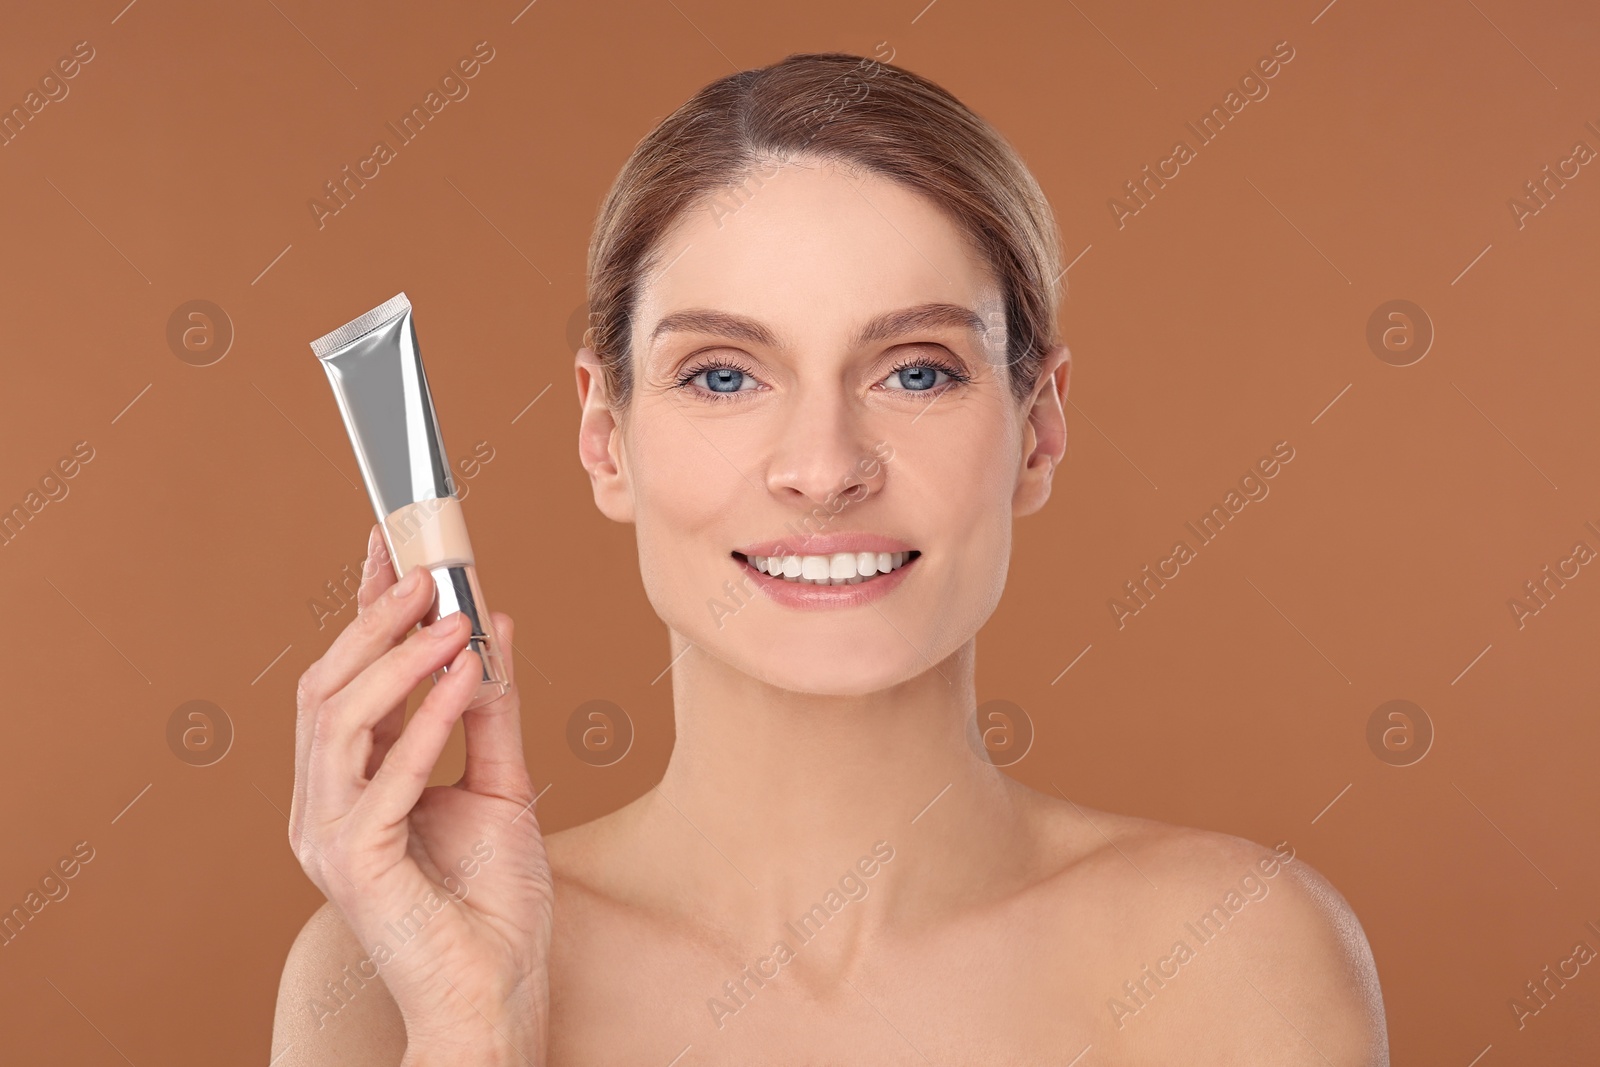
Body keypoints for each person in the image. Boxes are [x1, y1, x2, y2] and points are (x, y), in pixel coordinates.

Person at [272, 51, 1388, 1066]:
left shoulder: (1231, 952)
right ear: (605, 440)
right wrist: (477, 1024)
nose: (823, 466)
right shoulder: (389, 969)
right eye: (722, 374)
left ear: (1038, 427)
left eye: (915, 370)